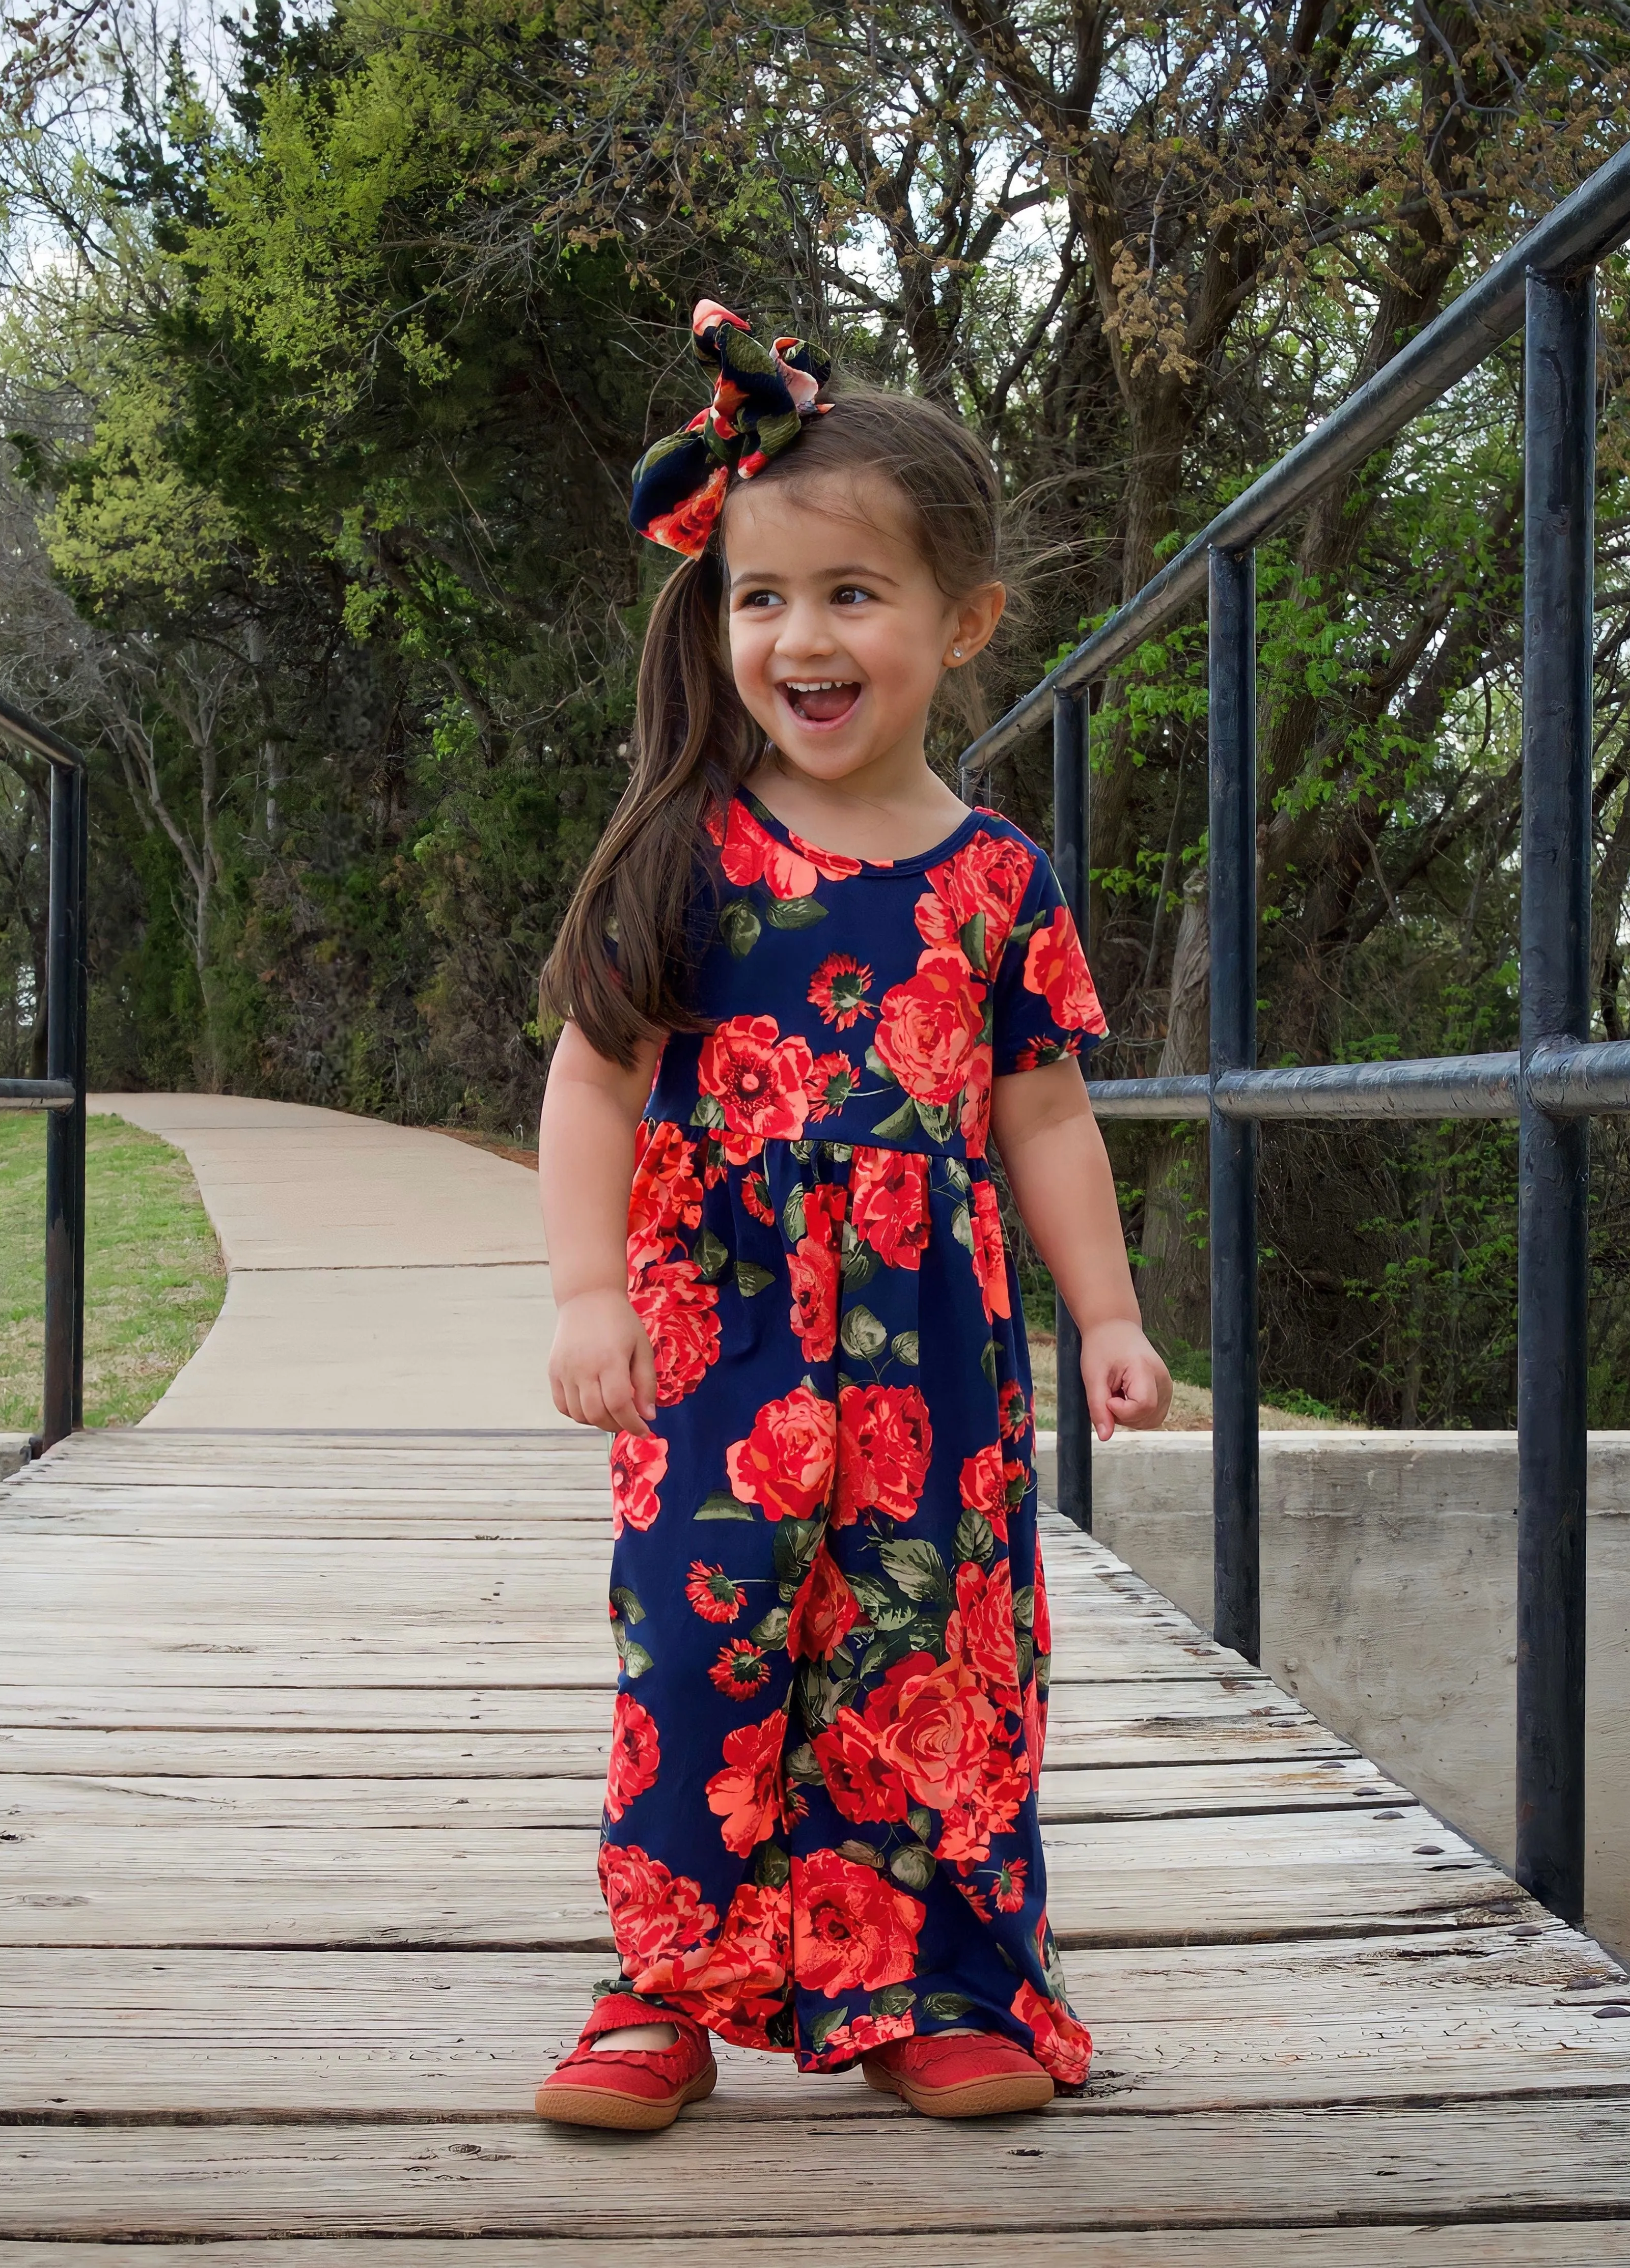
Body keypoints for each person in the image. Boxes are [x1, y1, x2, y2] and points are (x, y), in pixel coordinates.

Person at [530, 299, 1171, 2134]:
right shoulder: (687, 849)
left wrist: (1110, 1317)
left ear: (961, 625)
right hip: (719, 1340)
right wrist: (588, 1292)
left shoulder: (996, 879)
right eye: (759, 597)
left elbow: (1043, 1111)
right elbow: (591, 1076)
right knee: (701, 1635)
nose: (797, 638)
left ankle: (930, 1984)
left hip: (935, 1356)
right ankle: (665, 1981)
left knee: (929, 1649)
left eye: (850, 596)